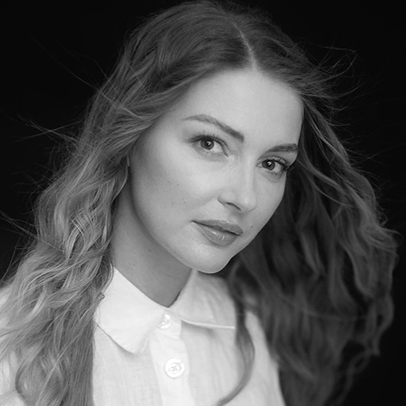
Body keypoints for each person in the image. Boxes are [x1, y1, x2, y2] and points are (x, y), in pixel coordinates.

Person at [0, 0, 398, 405]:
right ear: (130, 135)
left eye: (272, 164)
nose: (244, 198)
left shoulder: (253, 336)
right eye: (210, 143)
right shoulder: (11, 348)